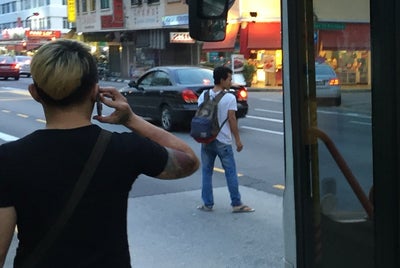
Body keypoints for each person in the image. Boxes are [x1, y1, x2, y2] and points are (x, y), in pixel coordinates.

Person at [0, 39, 200, 267]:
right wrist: (132, 119)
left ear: (35, 93)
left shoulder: (9, 159)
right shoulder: (123, 149)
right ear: (95, 91)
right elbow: (189, 161)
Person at [197, 66, 254, 213]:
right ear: (222, 80)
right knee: (230, 172)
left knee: (206, 172)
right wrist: (238, 140)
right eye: (229, 79)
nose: (231, 81)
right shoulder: (229, 97)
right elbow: (232, 119)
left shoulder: (203, 95)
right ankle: (236, 203)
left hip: (207, 139)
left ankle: (207, 203)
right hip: (223, 141)